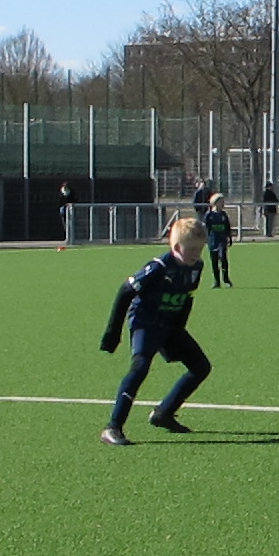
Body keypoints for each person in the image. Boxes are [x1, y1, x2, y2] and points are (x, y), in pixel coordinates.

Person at [98, 215, 212, 446]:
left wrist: (179, 329)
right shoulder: (158, 267)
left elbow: (188, 297)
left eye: (200, 249)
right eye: (192, 249)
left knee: (201, 367)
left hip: (169, 324)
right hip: (145, 322)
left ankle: (163, 414)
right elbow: (125, 291)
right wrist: (113, 332)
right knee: (140, 367)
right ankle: (113, 427)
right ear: (177, 247)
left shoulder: (196, 267)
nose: (197, 254)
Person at [203, 192, 234, 288]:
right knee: (214, 261)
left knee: (223, 258)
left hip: (222, 241)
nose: (223, 203)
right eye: (221, 201)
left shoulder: (224, 214)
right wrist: (205, 238)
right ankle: (217, 281)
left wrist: (230, 238)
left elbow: (227, 227)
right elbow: (205, 228)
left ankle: (226, 278)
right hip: (213, 241)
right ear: (215, 203)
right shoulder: (209, 215)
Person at [59, 181, 77, 248]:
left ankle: (71, 237)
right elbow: (60, 201)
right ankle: (67, 237)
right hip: (64, 209)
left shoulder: (72, 192)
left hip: (71, 209)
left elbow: (75, 199)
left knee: (71, 222)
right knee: (65, 223)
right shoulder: (61, 192)